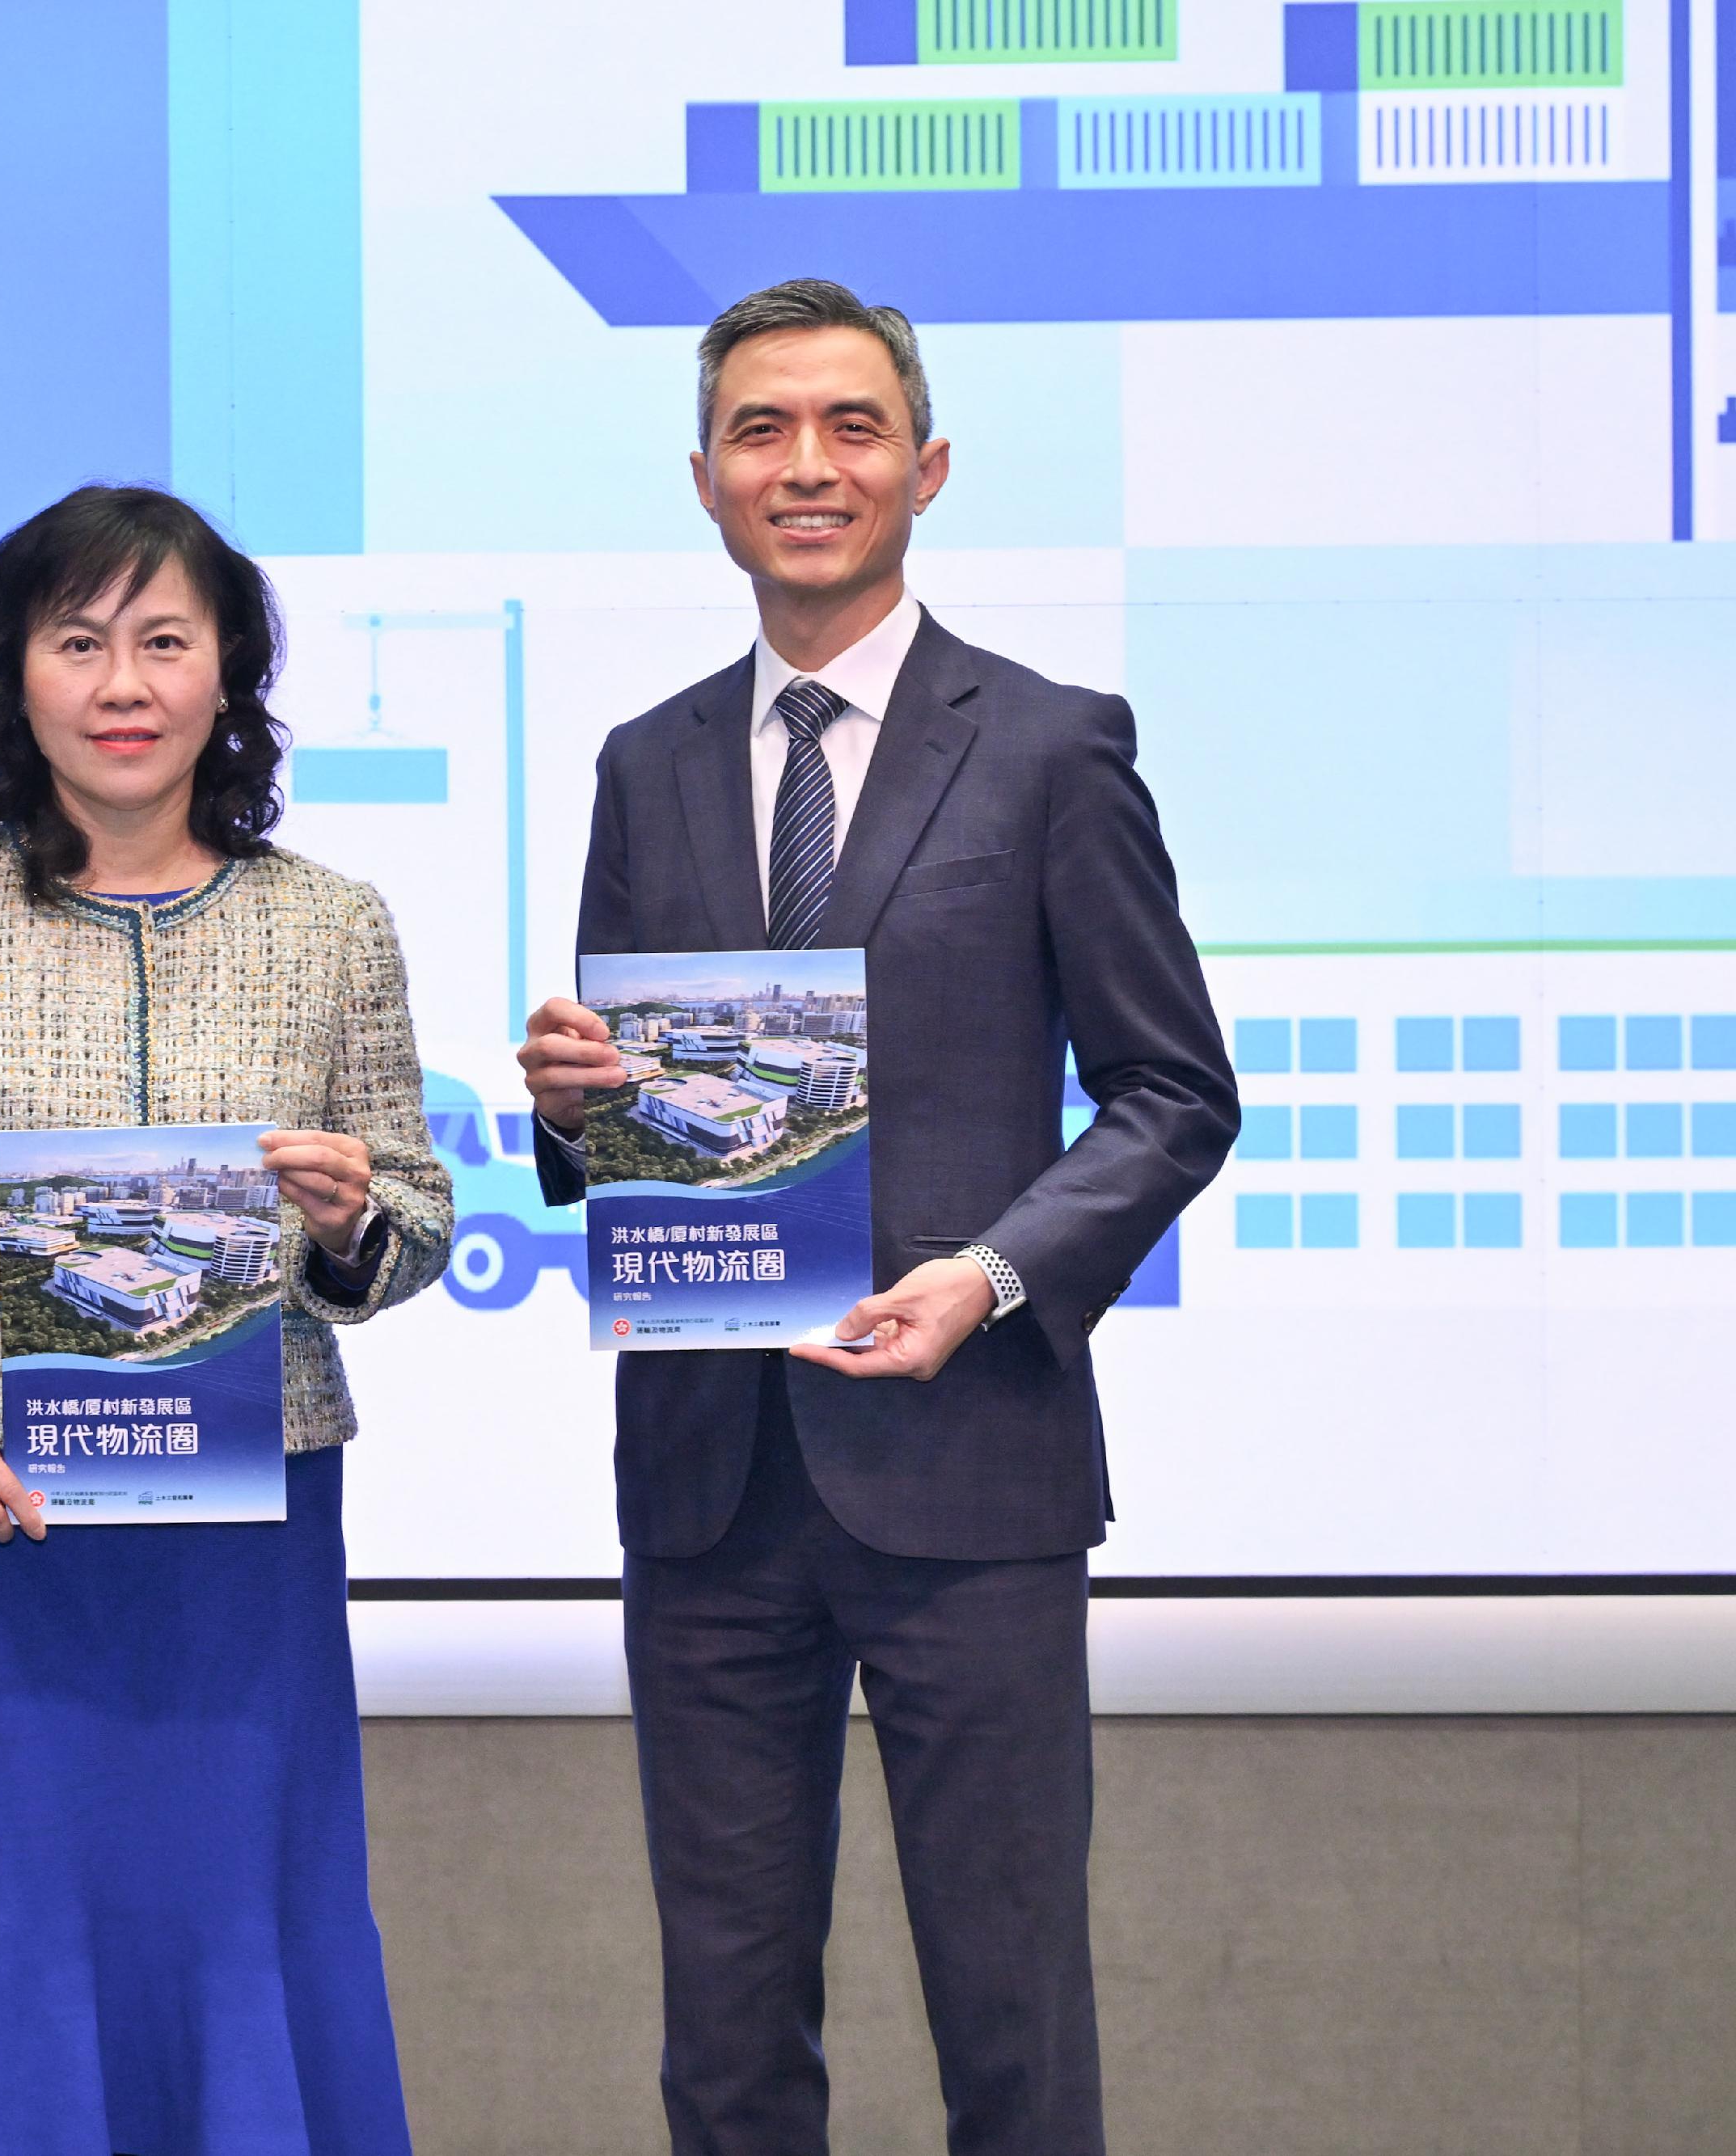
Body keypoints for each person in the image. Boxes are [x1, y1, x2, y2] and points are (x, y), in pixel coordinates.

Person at [517, 280, 1240, 2154]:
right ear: (701, 478)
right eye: (760, 430)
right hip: (705, 1476)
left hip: (967, 1461)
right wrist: (570, 1108)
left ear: (922, 467)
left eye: (846, 426)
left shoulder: (1050, 745)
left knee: (1009, 2018)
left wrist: (993, 1274)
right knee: (726, 2034)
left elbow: (1175, 1092)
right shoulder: (641, 757)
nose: (804, 465)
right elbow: (635, 1120)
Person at [0, 484, 452, 2156]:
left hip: (251, 1540)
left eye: (163, 638)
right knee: (11, 1915)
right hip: (0, 1528)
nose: (122, 680)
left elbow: (418, 1218)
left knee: (247, 1908)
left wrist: (343, 1221)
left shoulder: (331, 925)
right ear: (9, 676)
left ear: (228, 671)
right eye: (76, 641)